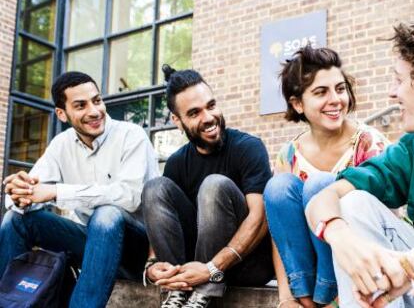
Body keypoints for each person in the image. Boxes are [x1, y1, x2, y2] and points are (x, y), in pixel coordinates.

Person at [0, 71, 159, 308]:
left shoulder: (131, 135)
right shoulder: (61, 144)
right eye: (81, 105)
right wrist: (19, 193)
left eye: (97, 100)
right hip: (92, 246)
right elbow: (30, 194)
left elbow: (129, 196)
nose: (94, 111)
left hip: (134, 250)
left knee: (107, 213)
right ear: (62, 114)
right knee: (16, 220)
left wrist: (56, 192)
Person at [263, 45, 389, 308]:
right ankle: (306, 297)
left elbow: (379, 223)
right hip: (305, 282)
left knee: (321, 185)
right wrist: (286, 298)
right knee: (277, 187)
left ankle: (330, 293)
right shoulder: (289, 154)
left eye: (340, 89)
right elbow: (280, 233)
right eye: (321, 92)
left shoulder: (368, 144)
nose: (336, 100)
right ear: (297, 104)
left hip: (355, 273)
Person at [141, 65, 274, 308]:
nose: (208, 117)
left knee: (214, 185)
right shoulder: (177, 162)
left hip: (245, 263)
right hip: (195, 268)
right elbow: (163, 219)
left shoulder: (249, 147)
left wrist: (211, 270)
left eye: (211, 106)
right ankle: (178, 290)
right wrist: (152, 263)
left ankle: (203, 291)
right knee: (154, 187)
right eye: (194, 113)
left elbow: (260, 217)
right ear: (177, 121)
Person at [305, 22, 414, 308]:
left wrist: (408, 265)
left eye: (399, 80)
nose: (392, 93)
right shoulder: (409, 148)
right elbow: (324, 198)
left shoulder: (364, 138)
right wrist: (339, 234)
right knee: (352, 203)